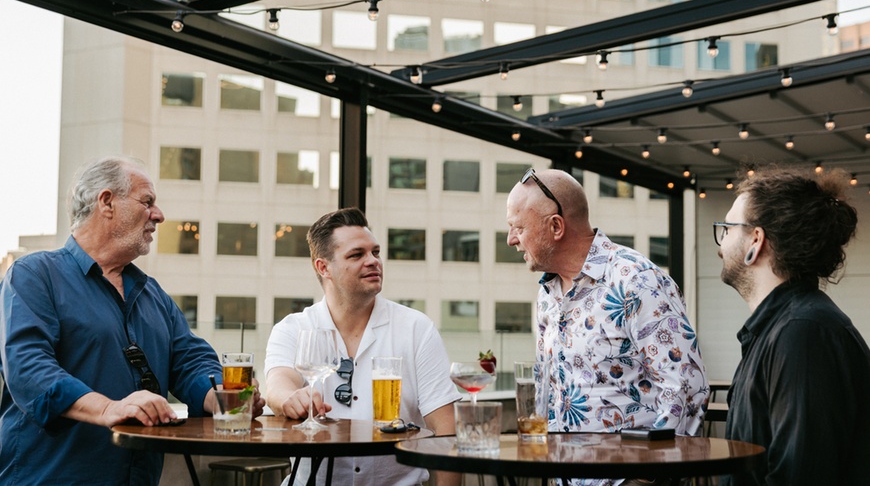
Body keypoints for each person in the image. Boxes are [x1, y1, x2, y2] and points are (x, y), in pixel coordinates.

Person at [0, 156, 265, 485]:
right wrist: (108, 408)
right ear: (107, 202)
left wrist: (221, 396)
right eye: (148, 201)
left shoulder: (152, 293)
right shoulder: (33, 275)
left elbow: (190, 360)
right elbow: (27, 368)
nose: (159, 215)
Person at [505, 168, 709, 438]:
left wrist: (647, 478)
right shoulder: (547, 293)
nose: (511, 240)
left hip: (626, 478)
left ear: (556, 226)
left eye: (518, 228)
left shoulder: (636, 281)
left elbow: (687, 387)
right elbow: (548, 391)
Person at [265, 207, 460, 485]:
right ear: (323, 267)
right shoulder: (293, 328)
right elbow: (277, 383)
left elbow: (446, 430)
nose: (373, 261)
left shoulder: (417, 328)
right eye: (357, 255)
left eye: (376, 252)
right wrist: (290, 398)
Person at [715, 167, 870, 485]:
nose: (720, 243)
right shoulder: (781, 329)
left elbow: (800, 476)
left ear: (756, 241)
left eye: (727, 228)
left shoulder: (804, 333)